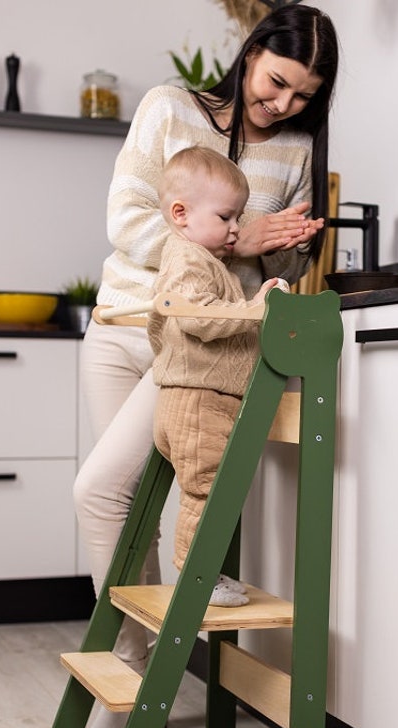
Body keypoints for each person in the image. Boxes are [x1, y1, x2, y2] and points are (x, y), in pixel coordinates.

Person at [74, 4, 339, 728]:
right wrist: (237, 237)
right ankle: (135, 672)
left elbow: (268, 274)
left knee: (99, 490)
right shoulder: (168, 108)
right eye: (277, 81)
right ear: (251, 53)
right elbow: (127, 219)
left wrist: (277, 250)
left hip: (190, 347)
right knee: (121, 512)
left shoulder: (293, 152)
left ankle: (137, 678)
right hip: (118, 325)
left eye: (303, 95)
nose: (283, 104)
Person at [149, 145, 289, 607]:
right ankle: (197, 576)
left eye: (238, 218)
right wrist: (256, 310)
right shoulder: (189, 260)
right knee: (207, 489)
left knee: (204, 489)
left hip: (188, 399)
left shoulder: (202, 261)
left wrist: (253, 301)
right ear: (181, 213)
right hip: (199, 402)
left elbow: (168, 324)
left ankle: (204, 571)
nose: (236, 229)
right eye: (227, 217)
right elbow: (197, 319)